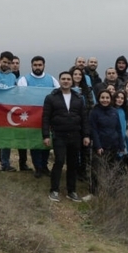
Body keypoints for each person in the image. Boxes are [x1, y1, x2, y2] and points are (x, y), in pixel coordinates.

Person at [43, 71, 89, 203]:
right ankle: (54, 190)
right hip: (59, 134)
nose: (66, 81)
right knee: (59, 161)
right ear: (60, 81)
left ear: (72, 81)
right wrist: (46, 135)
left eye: (68, 79)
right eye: (63, 79)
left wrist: (86, 135)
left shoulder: (78, 98)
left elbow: (84, 118)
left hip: (75, 135)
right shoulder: (51, 97)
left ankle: (71, 191)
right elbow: (45, 117)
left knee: (73, 164)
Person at [18, 56, 58, 177]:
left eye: (40, 65)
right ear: (31, 66)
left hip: (48, 116)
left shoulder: (51, 79)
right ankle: (38, 167)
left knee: (46, 141)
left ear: (44, 65)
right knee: (35, 142)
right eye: (35, 65)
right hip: (32, 117)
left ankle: (45, 166)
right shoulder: (24, 79)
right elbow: (20, 96)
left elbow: (58, 94)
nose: (37, 67)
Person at [89, 89, 125, 195]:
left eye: (107, 98)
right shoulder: (94, 112)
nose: (105, 100)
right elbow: (93, 130)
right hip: (100, 146)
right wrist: (98, 146)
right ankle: (94, 193)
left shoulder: (114, 111)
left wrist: (121, 145)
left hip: (113, 145)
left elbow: (118, 129)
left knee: (112, 169)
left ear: (110, 99)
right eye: (102, 98)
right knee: (96, 170)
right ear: (99, 99)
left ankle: (111, 192)